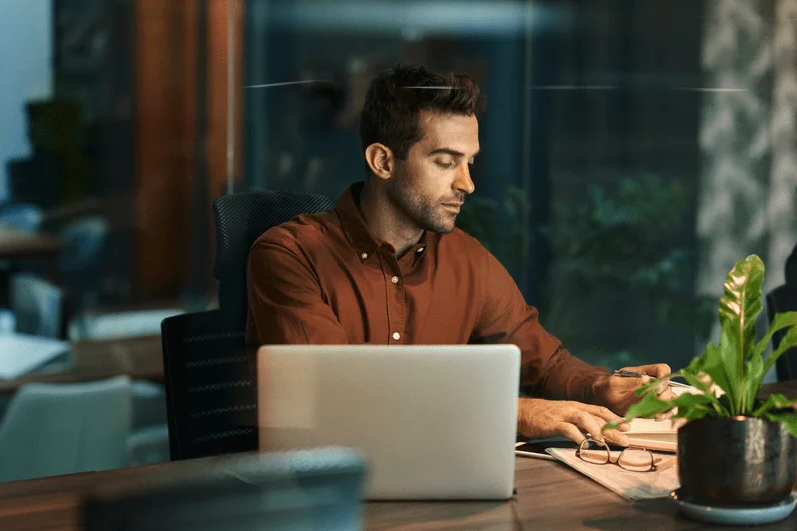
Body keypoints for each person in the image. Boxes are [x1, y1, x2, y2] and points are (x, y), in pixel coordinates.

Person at [246, 64, 672, 447]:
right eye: (447, 162)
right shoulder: (289, 255)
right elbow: (336, 394)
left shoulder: (467, 259)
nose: (467, 184)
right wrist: (514, 412)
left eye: (470, 162)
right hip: (325, 496)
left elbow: (544, 364)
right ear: (382, 161)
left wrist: (604, 386)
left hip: (442, 483)